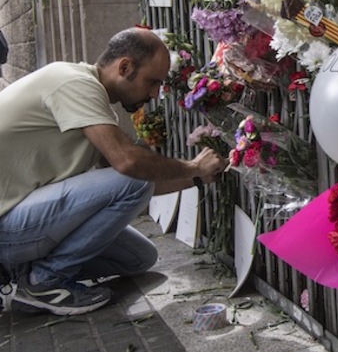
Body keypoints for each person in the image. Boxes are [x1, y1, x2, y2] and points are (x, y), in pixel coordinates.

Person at [0, 27, 228, 315]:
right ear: (125, 67)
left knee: (138, 258)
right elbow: (128, 166)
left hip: (19, 222)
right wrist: (193, 165)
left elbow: (132, 182)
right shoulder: (72, 82)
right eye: (153, 81)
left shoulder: (91, 104)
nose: (156, 93)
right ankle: (45, 282)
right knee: (133, 181)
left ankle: (24, 276)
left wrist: (196, 177)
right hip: (6, 227)